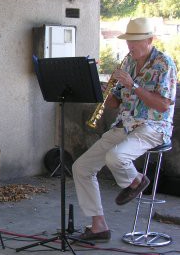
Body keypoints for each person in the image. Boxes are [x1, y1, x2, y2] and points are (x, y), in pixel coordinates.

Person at [72, 17, 177, 242]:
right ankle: (98, 225)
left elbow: (163, 105)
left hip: (152, 126)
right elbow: (116, 103)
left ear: (150, 39)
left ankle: (137, 180)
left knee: (116, 157)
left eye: (136, 41)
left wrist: (134, 85)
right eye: (129, 40)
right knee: (81, 167)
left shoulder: (164, 64)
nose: (130, 45)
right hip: (125, 124)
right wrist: (106, 90)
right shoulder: (128, 62)